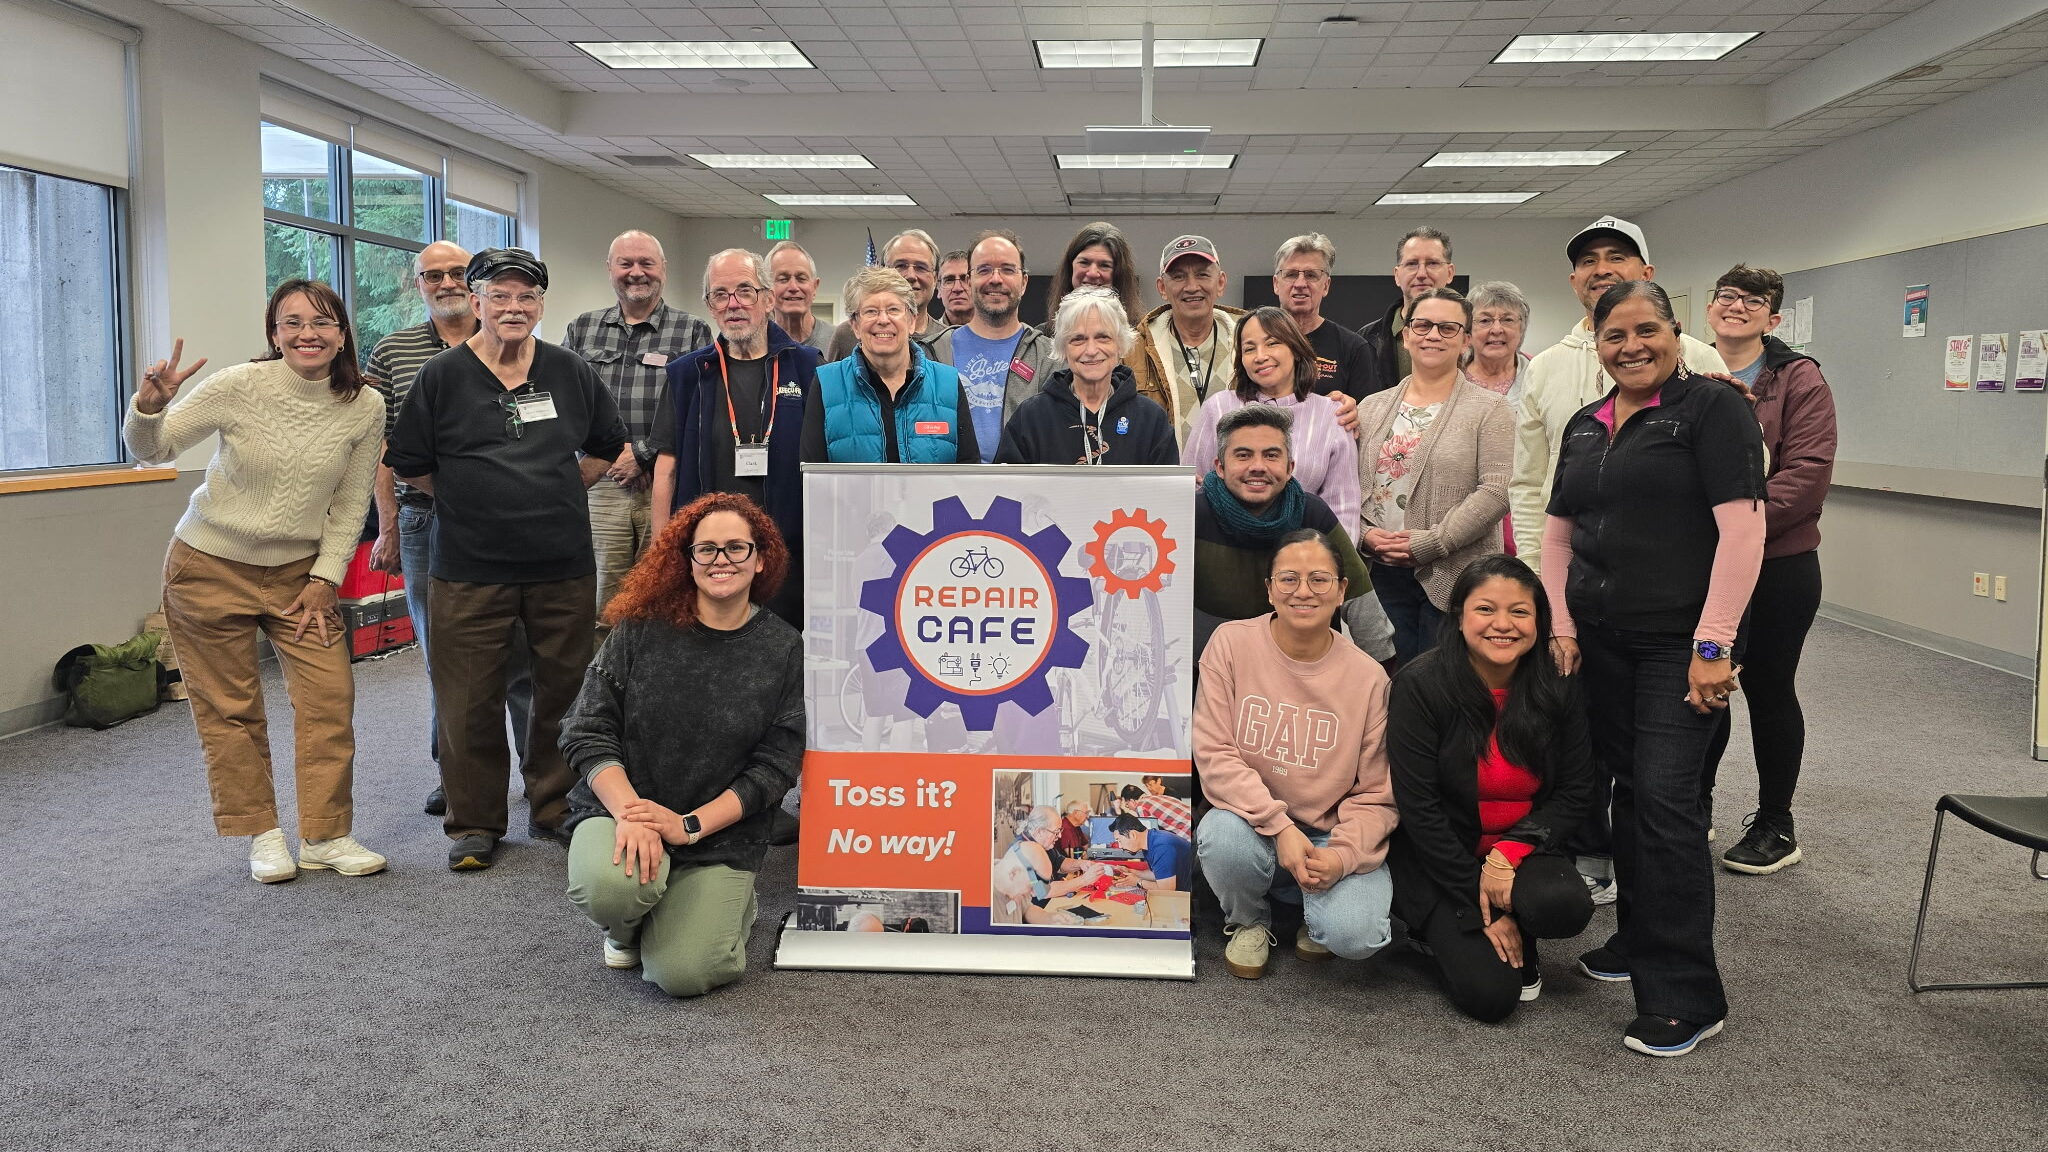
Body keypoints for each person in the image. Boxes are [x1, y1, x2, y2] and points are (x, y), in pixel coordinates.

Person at [1542, 280, 1765, 1058]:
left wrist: (1714, 644)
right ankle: (1636, 940)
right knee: (1629, 795)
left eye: (1647, 330)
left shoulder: (1712, 409)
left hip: (1679, 644)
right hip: (1599, 640)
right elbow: (1559, 535)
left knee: (1668, 805)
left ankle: (1685, 994)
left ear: (1676, 332)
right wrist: (1562, 624)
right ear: (1595, 343)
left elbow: (1743, 534)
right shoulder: (1584, 425)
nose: (1631, 346)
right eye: (1614, 335)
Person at [125, 281, 387, 883]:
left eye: (321, 322)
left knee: (329, 698)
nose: (307, 334)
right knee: (231, 707)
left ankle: (325, 833)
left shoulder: (364, 405)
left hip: (301, 574)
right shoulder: (240, 385)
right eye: (290, 322)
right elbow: (152, 450)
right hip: (210, 564)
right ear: (273, 333)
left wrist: (326, 578)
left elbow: (350, 506)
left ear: (343, 332)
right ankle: (262, 832)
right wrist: (150, 407)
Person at [1508, 215, 1728, 905]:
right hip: (1586, 605)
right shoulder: (1553, 378)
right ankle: (1605, 871)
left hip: (1679, 614)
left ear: (1649, 274)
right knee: (1593, 748)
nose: (1603, 269)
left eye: (1619, 257)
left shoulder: (1706, 374)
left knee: (1665, 785)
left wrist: (1718, 633)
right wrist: (1551, 605)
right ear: (1573, 283)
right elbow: (1536, 496)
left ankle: (1674, 954)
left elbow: (1742, 510)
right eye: (1589, 261)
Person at [385, 247, 629, 871]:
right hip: (468, 567)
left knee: (562, 690)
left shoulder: (569, 371)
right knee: (467, 696)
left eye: (526, 297)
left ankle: (553, 806)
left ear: (541, 306)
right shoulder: (443, 375)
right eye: (500, 296)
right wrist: (469, 498)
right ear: (476, 302)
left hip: (561, 563)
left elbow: (607, 445)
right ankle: (474, 822)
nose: (513, 307)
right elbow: (409, 461)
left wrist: (561, 490)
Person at [560, 492, 804, 997]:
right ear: (686, 559)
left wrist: (687, 826)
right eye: (706, 549)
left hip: (716, 834)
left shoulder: (783, 647)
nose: (721, 561)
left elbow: (776, 766)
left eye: (737, 548)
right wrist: (633, 813)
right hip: (621, 812)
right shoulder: (639, 629)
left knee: (683, 974)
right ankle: (625, 925)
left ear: (761, 560)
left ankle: (725, 903)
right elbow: (585, 729)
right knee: (611, 891)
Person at [364, 241, 534, 819]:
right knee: (445, 654)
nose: (445, 283)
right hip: (425, 519)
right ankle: (456, 774)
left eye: (457, 273)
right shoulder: (394, 352)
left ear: (480, 284)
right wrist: (386, 525)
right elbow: (383, 448)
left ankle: (539, 773)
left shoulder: (525, 347)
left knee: (519, 651)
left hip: (512, 522)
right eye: (431, 275)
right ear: (418, 286)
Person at [1386, 555, 1596, 1022]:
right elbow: (1419, 809)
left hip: (1519, 848)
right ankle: (1452, 927)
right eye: (1485, 610)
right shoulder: (1419, 685)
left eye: (1520, 612)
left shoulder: (1557, 684)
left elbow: (1578, 789)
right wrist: (1482, 909)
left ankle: (1518, 917)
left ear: (1539, 621)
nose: (1503, 624)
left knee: (1563, 906)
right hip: (1439, 858)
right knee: (1491, 997)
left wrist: (1509, 853)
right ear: (1459, 616)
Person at [1195, 529, 1399, 978]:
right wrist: (1281, 827)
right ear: (1269, 589)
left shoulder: (1369, 679)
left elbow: (1377, 795)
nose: (1302, 591)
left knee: (1356, 937)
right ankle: (1249, 918)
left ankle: (1314, 909)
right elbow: (1214, 754)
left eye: (1319, 580)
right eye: (1288, 579)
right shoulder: (1230, 645)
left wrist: (1341, 857)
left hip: (1330, 833)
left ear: (1343, 590)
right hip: (1254, 824)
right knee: (1220, 834)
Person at [1704, 264, 1837, 876]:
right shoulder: (1685, 370)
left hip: (1779, 565)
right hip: (1700, 564)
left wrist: (1734, 527)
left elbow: (1805, 476)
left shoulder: (1800, 379)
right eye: (1725, 296)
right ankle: (1692, 805)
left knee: (1768, 687)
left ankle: (1775, 824)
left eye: (1750, 301)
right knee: (1705, 686)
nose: (1735, 307)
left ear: (1773, 317)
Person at [649, 248, 819, 629]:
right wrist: (661, 554)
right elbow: (667, 469)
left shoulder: (808, 367)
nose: (733, 305)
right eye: (720, 295)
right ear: (709, 305)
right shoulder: (687, 375)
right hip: (712, 556)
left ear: (768, 299)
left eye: (745, 291)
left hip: (788, 554)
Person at [561, 230, 714, 622]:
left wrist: (643, 454)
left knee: (665, 592)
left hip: (664, 483)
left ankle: (652, 681)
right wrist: (609, 457)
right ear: (609, 269)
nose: (636, 273)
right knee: (600, 600)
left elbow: (699, 412)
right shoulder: (583, 329)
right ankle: (601, 681)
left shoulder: (692, 331)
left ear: (663, 269)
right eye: (625, 264)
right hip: (602, 486)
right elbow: (565, 405)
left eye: (646, 263)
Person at [1355, 288, 1512, 664]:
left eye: (1447, 328)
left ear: (1466, 340)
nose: (1433, 335)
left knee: (1444, 689)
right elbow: (1349, 487)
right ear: (1406, 335)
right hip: (1380, 573)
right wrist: (1363, 534)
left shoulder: (1491, 409)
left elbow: (1496, 490)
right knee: (1386, 683)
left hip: (1454, 575)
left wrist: (1430, 543)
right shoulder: (1370, 408)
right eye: (1422, 325)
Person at [1192, 404, 1386, 662]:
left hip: (1304, 670)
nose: (1258, 466)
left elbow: (1361, 601)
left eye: (1272, 455)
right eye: (1243, 455)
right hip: (1209, 671)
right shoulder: (1193, 514)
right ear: (1219, 466)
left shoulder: (1312, 514)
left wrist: (1385, 677)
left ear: (1290, 467)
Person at [1183, 306, 1361, 535]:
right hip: (1225, 552)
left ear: (1296, 349)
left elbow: (1343, 508)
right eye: (1249, 348)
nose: (1260, 356)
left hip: (1302, 561)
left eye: (1272, 343)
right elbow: (1191, 488)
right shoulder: (1217, 408)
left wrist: (1329, 565)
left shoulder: (1333, 415)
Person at [802, 268, 981, 465]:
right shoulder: (827, 383)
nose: (883, 320)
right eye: (871, 311)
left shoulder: (947, 383)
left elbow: (968, 473)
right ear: (855, 325)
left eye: (894, 310)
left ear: (911, 321)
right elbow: (812, 475)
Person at [995, 286, 1176, 466]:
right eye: (1078, 339)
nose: (1091, 350)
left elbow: (1166, 491)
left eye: (1103, 337)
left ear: (1120, 345)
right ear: (1063, 348)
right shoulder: (1031, 417)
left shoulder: (1151, 419)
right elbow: (1006, 491)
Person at [929, 229, 1062, 461]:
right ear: (969, 281)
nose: (996, 279)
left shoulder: (1049, 358)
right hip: (948, 489)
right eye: (984, 270)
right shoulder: (932, 352)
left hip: (1024, 491)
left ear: (1023, 282)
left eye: (1008, 270)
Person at [1128, 234, 1245, 446]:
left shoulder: (1251, 345)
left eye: (1202, 275)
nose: (1191, 286)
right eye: (1179, 277)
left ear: (1220, 282)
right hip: (1164, 478)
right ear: (1162, 287)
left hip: (1234, 478)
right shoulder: (1133, 351)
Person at [1271, 233, 1371, 417]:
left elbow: (1368, 419)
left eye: (1311, 275)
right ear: (1276, 284)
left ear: (1326, 285)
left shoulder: (1353, 348)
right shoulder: (1254, 342)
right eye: (1291, 274)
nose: (1300, 284)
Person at [1357, 227, 1458, 399]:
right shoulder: (1365, 340)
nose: (1421, 274)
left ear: (1450, 273)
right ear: (1397, 275)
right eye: (1411, 264)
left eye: (1432, 263)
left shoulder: (1473, 337)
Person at [826, 229, 948, 359]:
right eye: (901, 266)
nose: (911, 275)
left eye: (921, 267)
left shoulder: (949, 340)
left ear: (935, 278)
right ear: (883, 271)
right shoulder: (847, 335)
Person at [992, 806, 1106, 925]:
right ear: (1039, 831)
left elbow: (1027, 908)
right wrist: (1084, 880)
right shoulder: (1022, 857)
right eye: (1056, 832)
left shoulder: (1042, 846)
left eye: (1060, 831)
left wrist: (1050, 918)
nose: (1060, 836)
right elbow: (1044, 892)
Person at [1043, 221, 1144, 328]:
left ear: (1119, 274)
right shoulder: (1044, 338)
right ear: (1070, 267)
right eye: (1084, 262)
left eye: (1104, 265)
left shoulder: (1140, 337)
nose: (1092, 273)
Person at [1465, 281, 1533, 409]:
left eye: (1507, 320)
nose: (1496, 330)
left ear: (1522, 328)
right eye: (1485, 320)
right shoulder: (1449, 374)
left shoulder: (1539, 375)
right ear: (1468, 328)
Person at [765, 240, 832, 357]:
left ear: (815, 287)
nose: (793, 287)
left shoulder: (836, 341)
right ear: (767, 289)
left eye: (801, 278)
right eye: (783, 279)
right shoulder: (757, 346)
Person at [1110, 814, 1191, 891]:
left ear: (1132, 835)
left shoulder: (1161, 847)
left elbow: (1167, 889)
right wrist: (1130, 871)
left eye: (1119, 840)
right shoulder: (1151, 839)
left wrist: (1137, 882)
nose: (1120, 846)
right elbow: (1159, 875)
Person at [1126, 776, 1193, 839]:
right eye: (1146, 786)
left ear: (1158, 781)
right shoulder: (1157, 797)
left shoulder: (1141, 806)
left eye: (1151, 784)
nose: (1149, 788)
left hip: (1186, 831)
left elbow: (1149, 834)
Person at [936, 248, 974, 327]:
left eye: (965, 279)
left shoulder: (998, 336)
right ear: (939, 288)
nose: (957, 288)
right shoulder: (927, 339)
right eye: (949, 280)